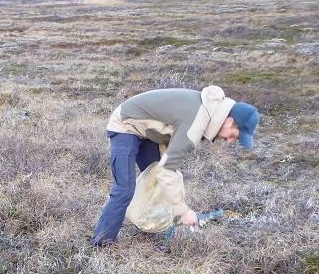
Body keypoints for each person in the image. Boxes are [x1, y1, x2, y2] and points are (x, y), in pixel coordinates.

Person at [91, 85, 259, 247]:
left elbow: (169, 151)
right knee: (125, 189)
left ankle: (149, 224)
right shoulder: (197, 123)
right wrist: (184, 211)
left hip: (151, 134)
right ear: (229, 121)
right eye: (234, 136)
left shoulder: (209, 111)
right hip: (126, 123)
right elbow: (166, 171)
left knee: (157, 184)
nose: (230, 141)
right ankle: (102, 243)